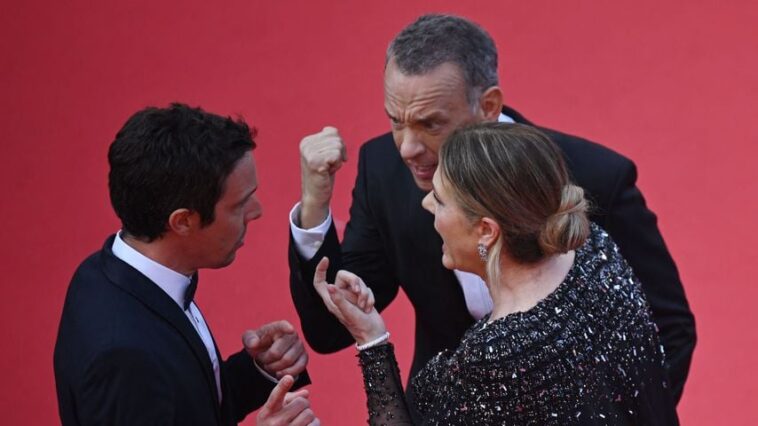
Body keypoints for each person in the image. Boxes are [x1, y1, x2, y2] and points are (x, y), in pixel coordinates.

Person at [288, 14, 695, 404]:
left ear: (488, 105)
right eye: (396, 121)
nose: (408, 148)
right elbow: (330, 331)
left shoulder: (594, 176)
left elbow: (668, 329)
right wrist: (314, 207)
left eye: (430, 124)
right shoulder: (383, 172)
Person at [315, 122, 679, 424]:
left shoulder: (492, 359)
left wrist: (372, 343)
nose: (426, 204)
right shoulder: (596, 249)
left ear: (486, 231)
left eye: (439, 199)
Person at [54, 104, 319, 426]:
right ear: (182, 221)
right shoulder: (123, 357)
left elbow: (179, 403)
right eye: (238, 205)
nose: (256, 211)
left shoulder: (104, 272)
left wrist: (260, 370)